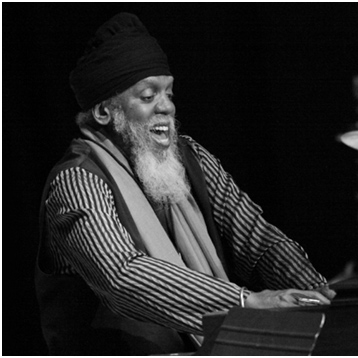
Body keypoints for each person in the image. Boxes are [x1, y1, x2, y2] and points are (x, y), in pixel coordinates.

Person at [36, 12, 335, 355]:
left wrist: (321, 295)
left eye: (169, 93)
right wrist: (244, 302)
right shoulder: (76, 181)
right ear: (105, 113)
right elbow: (121, 275)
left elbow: (258, 240)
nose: (166, 107)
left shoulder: (190, 157)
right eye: (148, 96)